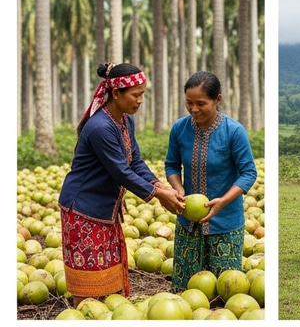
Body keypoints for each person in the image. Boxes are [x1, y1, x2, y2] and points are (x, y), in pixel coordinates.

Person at [59, 63, 184, 306]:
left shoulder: (125, 121)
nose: (140, 100)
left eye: (143, 94)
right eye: (135, 95)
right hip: (83, 208)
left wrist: (159, 185)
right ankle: (83, 315)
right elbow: (120, 171)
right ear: (116, 93)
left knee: (106, 270)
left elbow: (134, 160)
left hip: (104, 209)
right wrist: (158, 194)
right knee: (87, 279)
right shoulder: (100, 127)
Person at [165, 71, 258, 291]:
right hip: (188, 223)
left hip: (226, 223)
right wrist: (178, 189)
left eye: (201, 103)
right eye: (189, 103)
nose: (194, 109)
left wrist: (222, 201)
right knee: (185, 291)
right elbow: (171, 165)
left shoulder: (234, 131)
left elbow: (248, 172)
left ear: (218, 99)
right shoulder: (179, 128)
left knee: (226, 292)